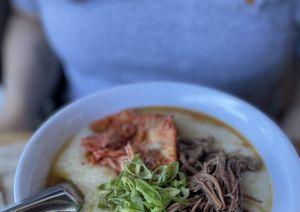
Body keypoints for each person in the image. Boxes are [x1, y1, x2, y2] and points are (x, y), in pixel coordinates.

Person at [0, 0, 300, 139]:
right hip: (82, 137)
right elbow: (31, 20)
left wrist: (290, 142)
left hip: (253, 141)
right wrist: (16, 113)